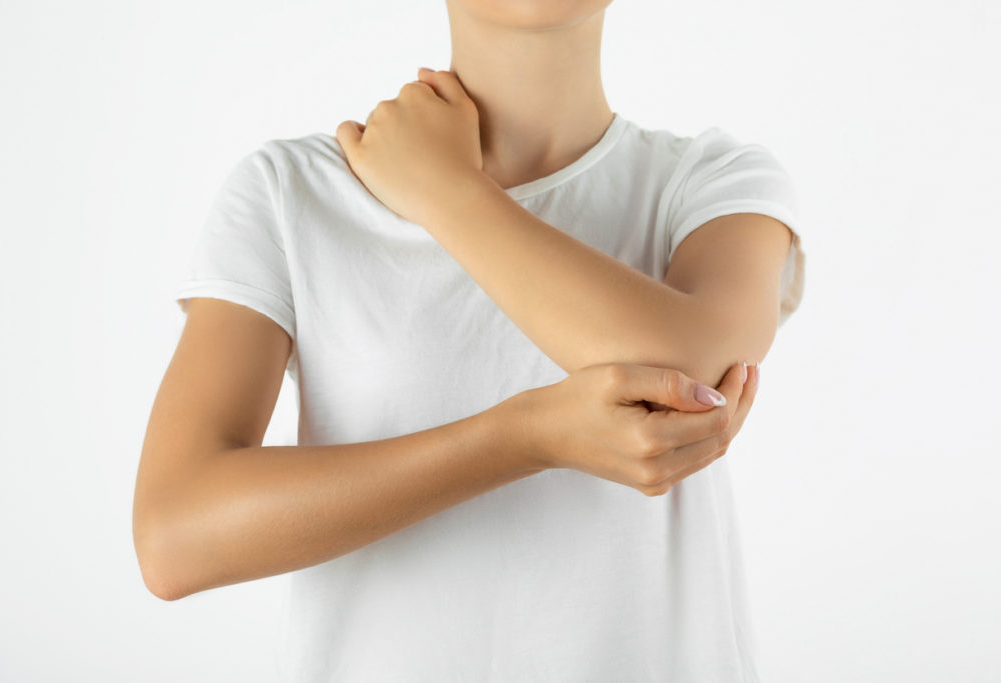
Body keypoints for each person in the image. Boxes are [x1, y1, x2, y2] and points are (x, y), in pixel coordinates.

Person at [132, 0, 806, 680]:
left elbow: (683, 378)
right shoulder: (292, 191)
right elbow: (174, 536)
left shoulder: (714, 184)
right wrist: (521, 437)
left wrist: (448, 190)